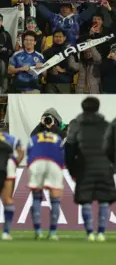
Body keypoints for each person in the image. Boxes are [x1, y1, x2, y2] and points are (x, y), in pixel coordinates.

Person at [65, 97, 116, 241]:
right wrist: (112, 167)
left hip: (84, 166)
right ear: (98, 108)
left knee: (85, 200)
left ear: (82, 107)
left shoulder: (76, 126)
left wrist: (72, 170)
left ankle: (89, 233)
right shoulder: (107, 125)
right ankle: (101, 233)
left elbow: (69, 149)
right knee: (104, 199)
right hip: (104, 166)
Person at [43, 29, 78, 93]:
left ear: (65, 38)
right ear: (53, 38)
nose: (58, 38)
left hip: (66, 83)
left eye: (60, 36)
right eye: (56, 36)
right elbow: (43, 68)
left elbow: (77, 68)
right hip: (51, 83)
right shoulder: (47, 52)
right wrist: (50, 71)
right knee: (50, 103)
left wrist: (64, 70)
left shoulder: (71, 51)